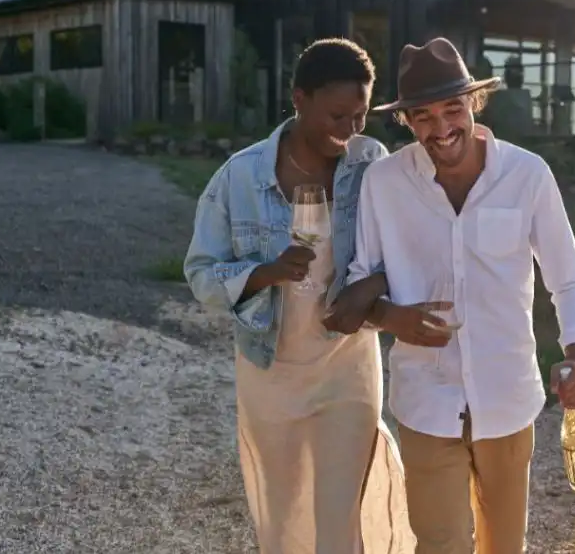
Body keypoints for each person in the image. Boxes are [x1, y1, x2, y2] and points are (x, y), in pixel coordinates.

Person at [347, 37, 575, 554]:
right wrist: (392, 318)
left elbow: (569, 277)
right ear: (406, 122)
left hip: (507, 397)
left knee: (504, 546)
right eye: (422, 116)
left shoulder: (526, 175)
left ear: (475, 103)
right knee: (441, 544)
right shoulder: (384, 183)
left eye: (453, 108)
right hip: (427, 399)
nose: (441, 128)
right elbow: (361, 279)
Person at [183, 38, 440, 553]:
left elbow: (411, 246)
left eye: (361, 116)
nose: (349, 131)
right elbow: (201, 274)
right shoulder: (241, 175)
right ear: (298, 98)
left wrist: (374, 288)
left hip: (347, 369)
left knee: (337, 520)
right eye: (337, 115)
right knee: (283, 520)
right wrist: (267, 273)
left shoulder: (372, 163)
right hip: (270, 374)